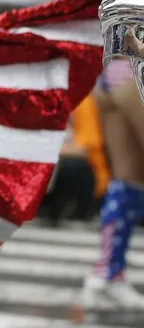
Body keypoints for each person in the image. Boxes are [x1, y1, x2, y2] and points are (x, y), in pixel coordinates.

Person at [80, 59, 144, 309]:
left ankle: (106, 274)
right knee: (129, 179)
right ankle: (107, 273)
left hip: (112, 75)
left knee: (130, 179)